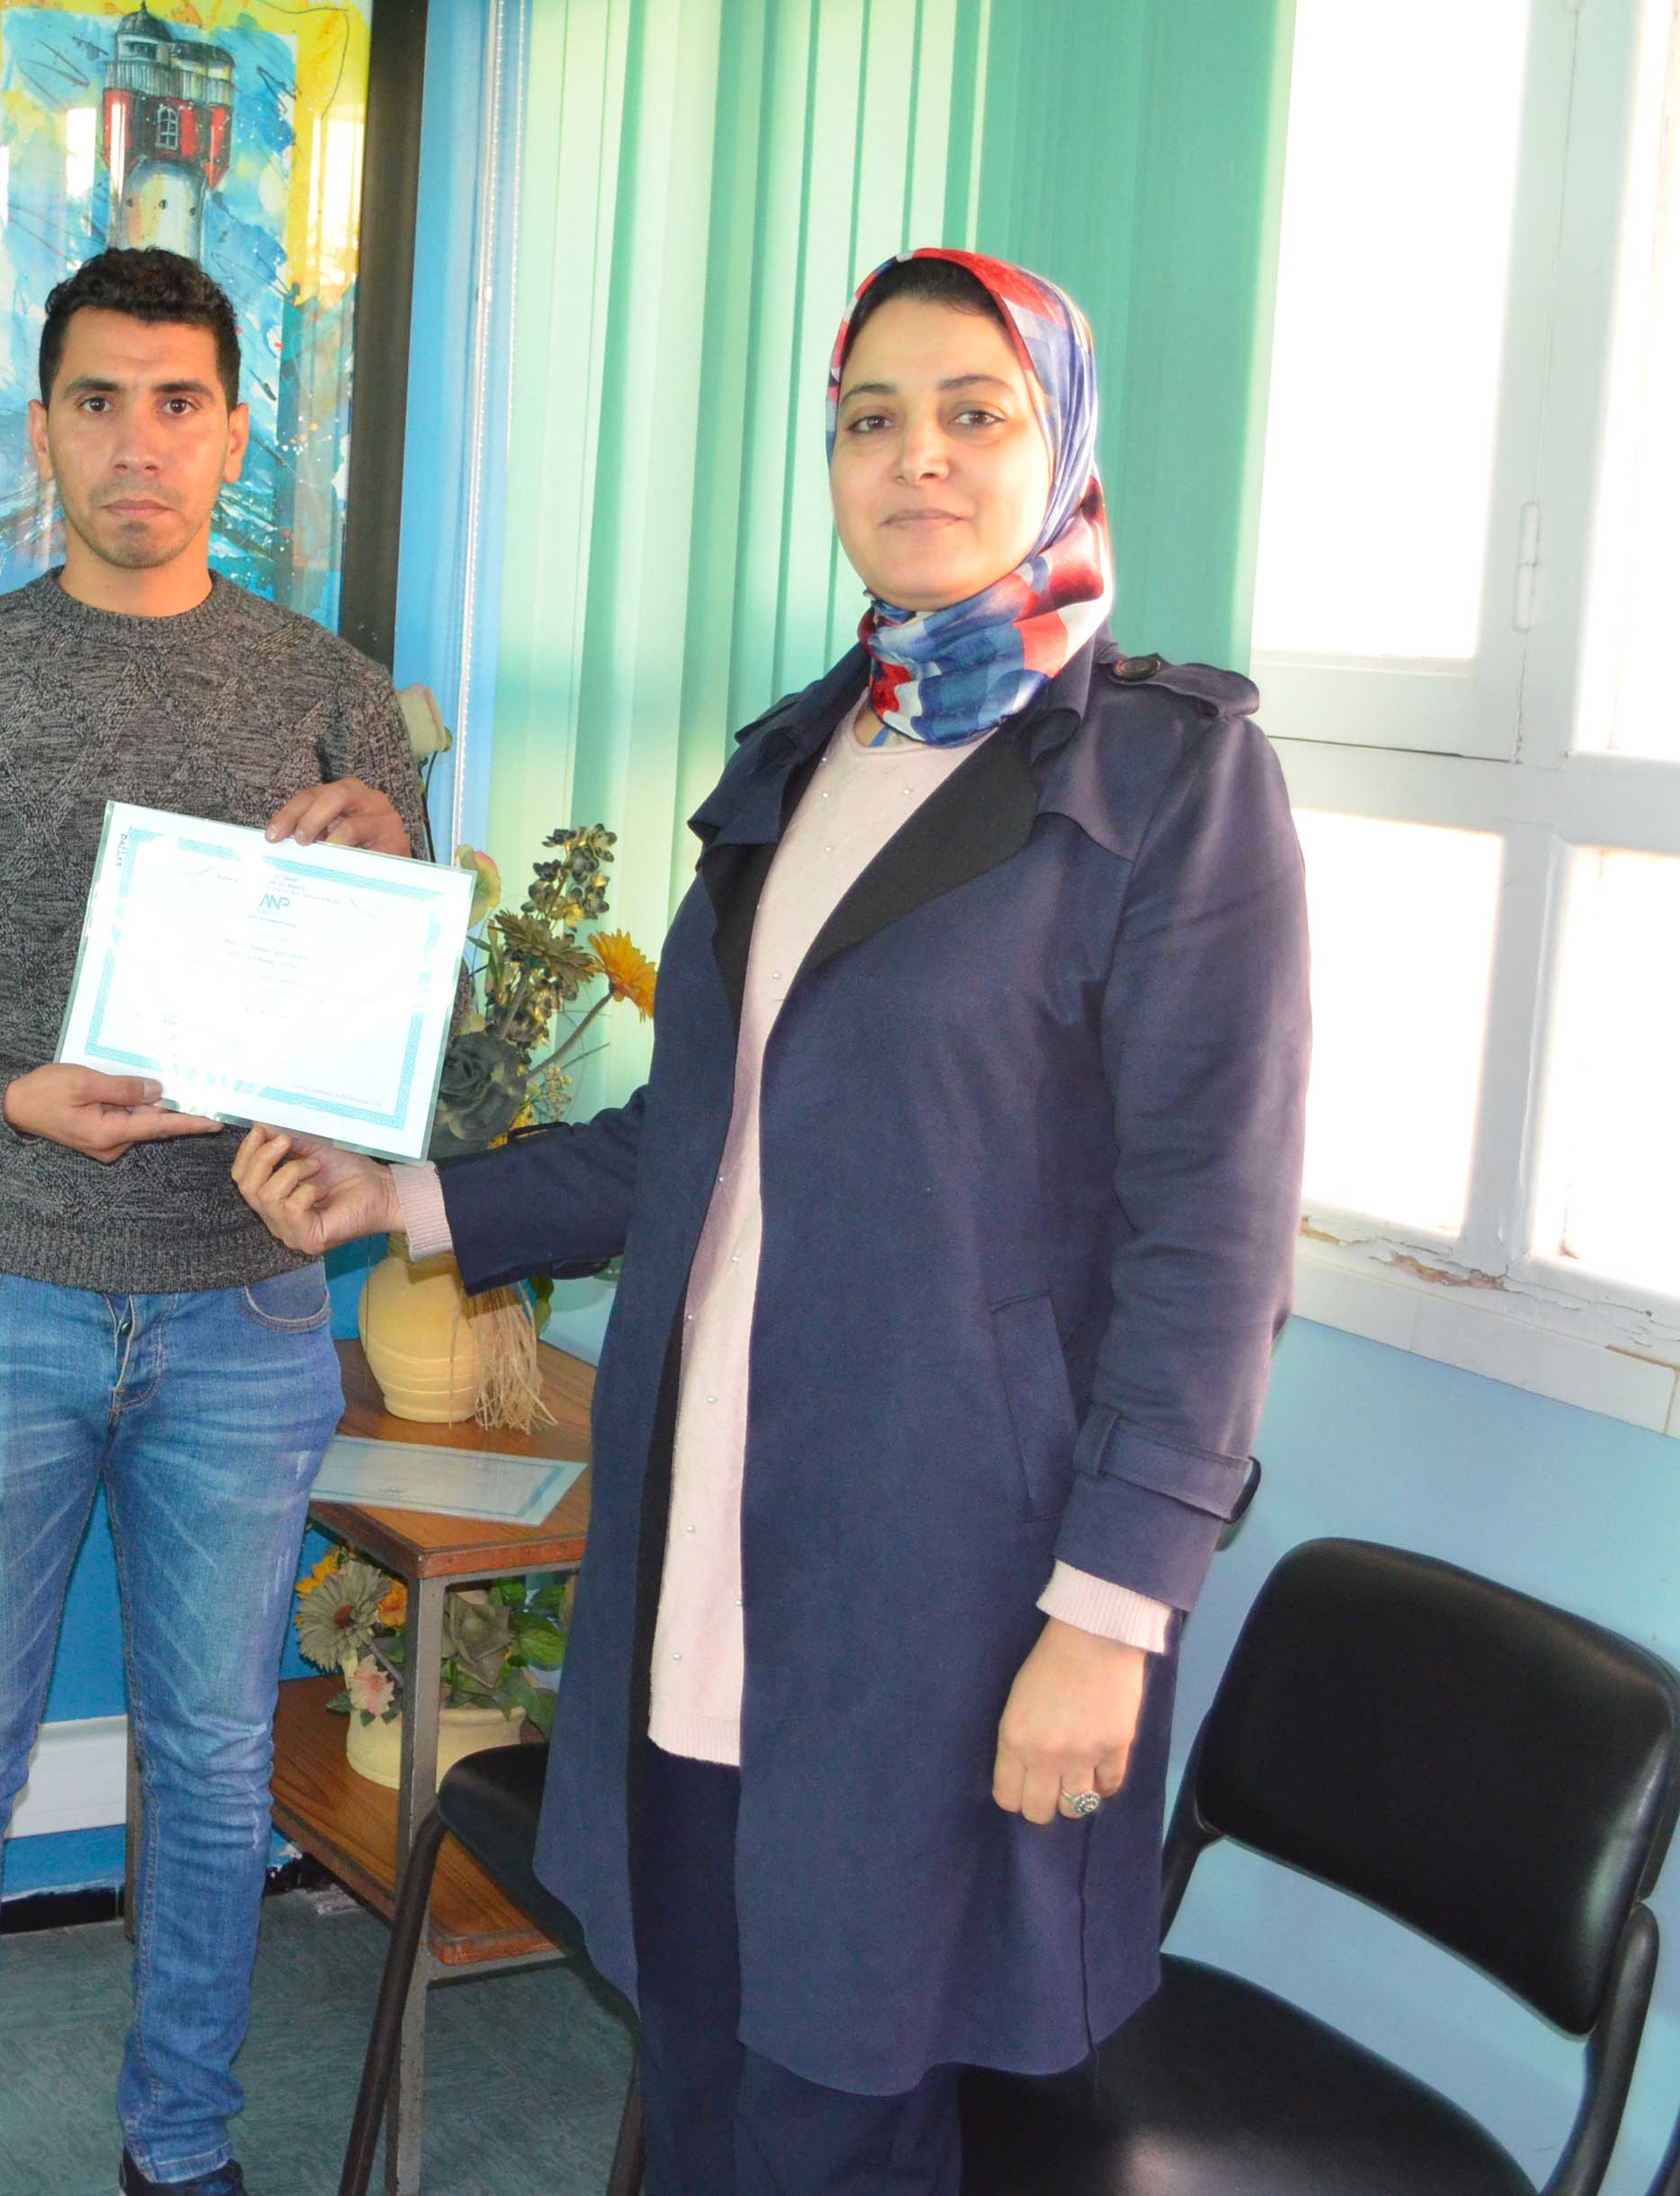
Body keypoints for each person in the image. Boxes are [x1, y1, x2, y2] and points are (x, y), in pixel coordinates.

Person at [235, 248, 1310, 2196]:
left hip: (947, 1590)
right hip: (706, 1551)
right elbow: (692, 1139)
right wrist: (409, 1195)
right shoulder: (804, 755)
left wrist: (1109, 1614)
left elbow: (1216, 1241)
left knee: (846, 2099)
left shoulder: (1165, 773)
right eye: (871, 418)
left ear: (1059, 439)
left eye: (974, 410)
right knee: (711, 2065)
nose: (919, 456)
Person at [0, 246, 423, 2196]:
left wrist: (402, 862)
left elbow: (392, 1012)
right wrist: (8, 1098)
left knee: (220, 1772)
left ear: (235, 429)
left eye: (176, 402)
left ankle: (182, 2150)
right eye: (94, 401)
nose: (135, 443)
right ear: (39, 423)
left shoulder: (331, 692)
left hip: (243, 1315)